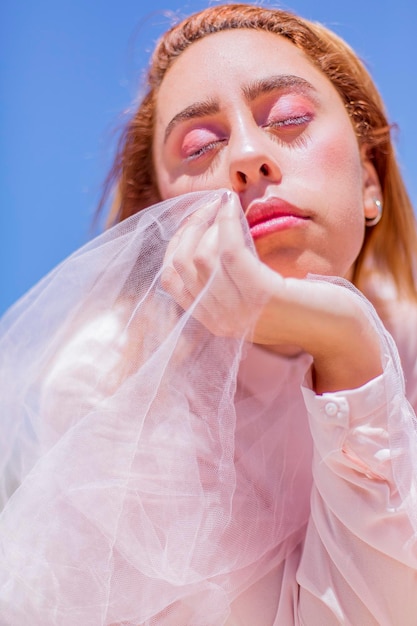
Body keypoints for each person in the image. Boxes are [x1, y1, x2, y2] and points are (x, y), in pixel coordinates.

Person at [1, 2, 417, 624]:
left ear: (370, 183)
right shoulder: (111, 385)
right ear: (161, 222)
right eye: (199, 148)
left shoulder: (409, 342)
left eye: (290, 117)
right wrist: (348, 348)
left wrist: (347, 344)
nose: (247, 156)